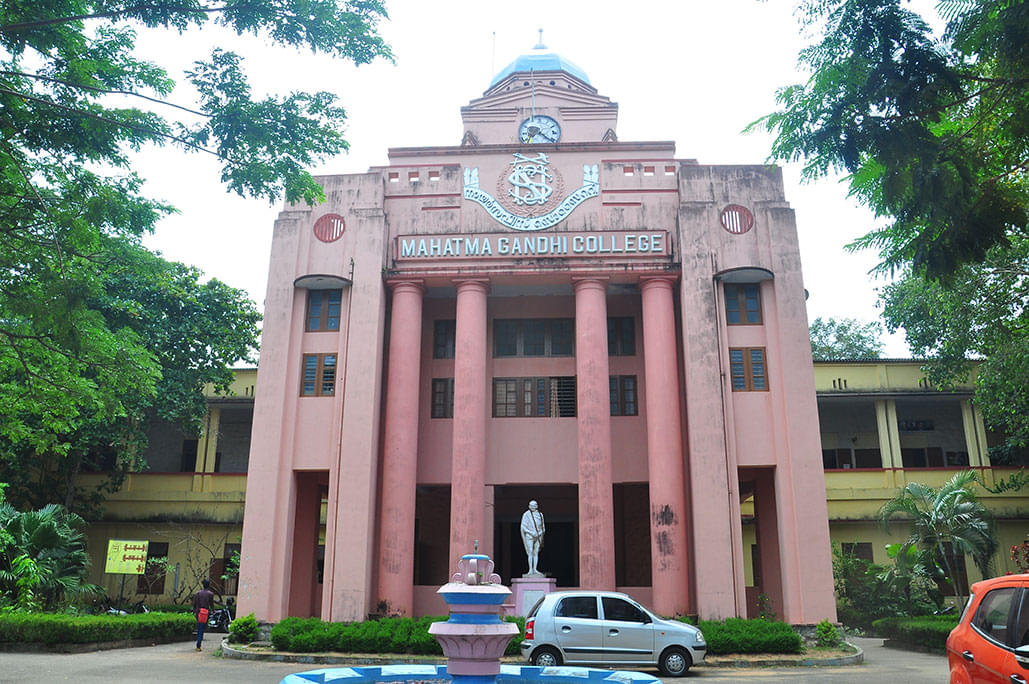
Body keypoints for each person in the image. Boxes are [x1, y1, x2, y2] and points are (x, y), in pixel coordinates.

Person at [520, 500, 545, 577]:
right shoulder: (526, 515)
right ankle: (530, 569)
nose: (532, 507)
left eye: (534, 505)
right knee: (530, 551)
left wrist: (539, 533)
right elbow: (523, 527)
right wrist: (531, 533)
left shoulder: (540, 515)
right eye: (531, 505)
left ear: (537, 506)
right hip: (529, 536)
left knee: (536, 552)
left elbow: (543, 527)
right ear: (529, 506)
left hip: (538, 536)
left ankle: (535, 569)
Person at [192, 579, 215, 651]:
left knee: (199, 628)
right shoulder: (210, 594)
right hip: (205, 613)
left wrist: (194, 612)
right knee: (202, 629)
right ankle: (198, 644)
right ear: (208, 585)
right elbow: (211, 604)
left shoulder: (198, 593)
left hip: (198, 612)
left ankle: (198, 644)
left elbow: (194, 604)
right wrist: (213, 611)